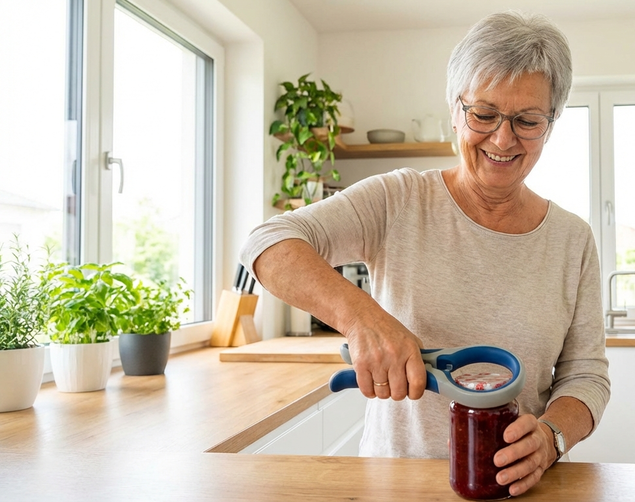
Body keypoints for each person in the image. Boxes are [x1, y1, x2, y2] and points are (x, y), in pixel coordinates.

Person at [240, 11, 610, 497]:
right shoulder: (396, 200)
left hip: (520, 488)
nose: (503, 139)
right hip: (396, 483)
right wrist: (362, 319)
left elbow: (587, 377)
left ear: (550, 125)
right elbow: (267, 243)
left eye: (527, 121)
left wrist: (551, 437)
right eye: (484, 114)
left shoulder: (572, 239)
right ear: (455, 111)